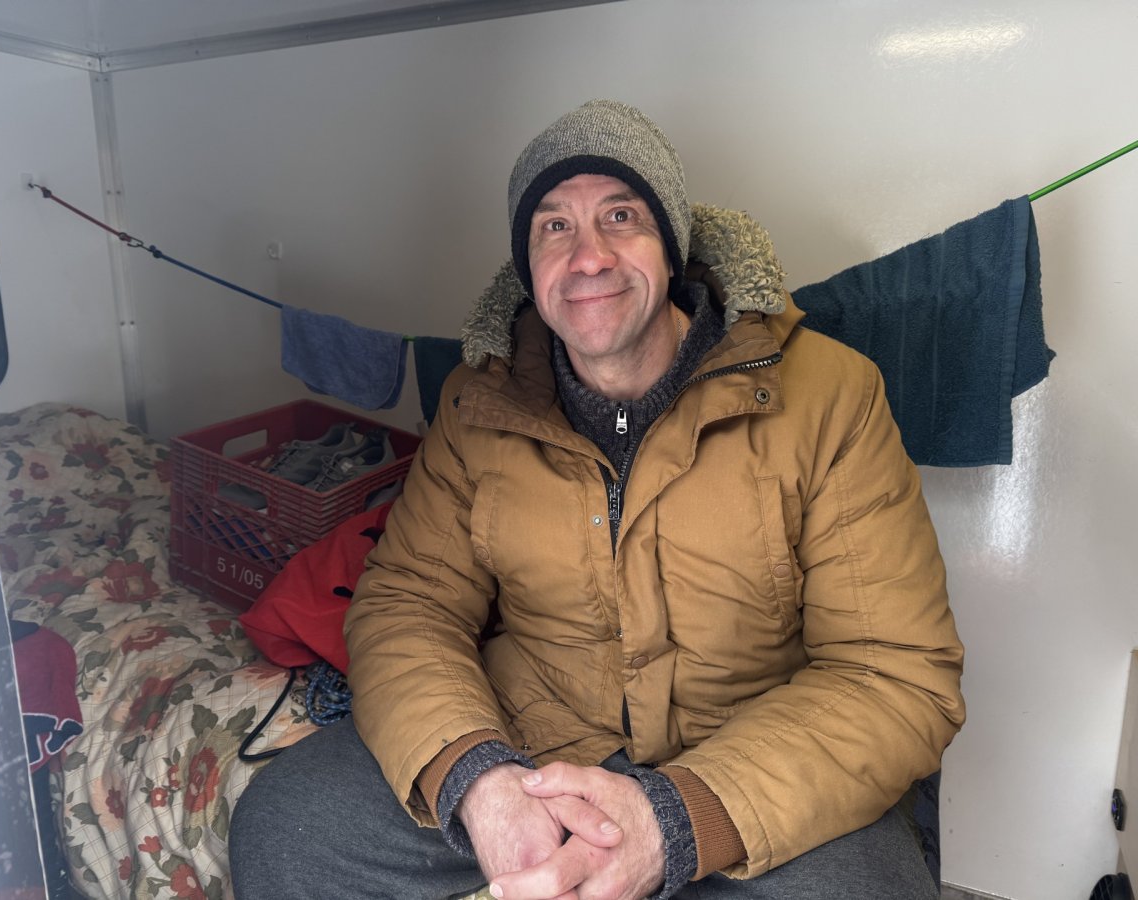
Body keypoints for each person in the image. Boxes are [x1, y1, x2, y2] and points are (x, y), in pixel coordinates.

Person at [230, 99, 965, 900]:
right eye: (554, 227)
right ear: (527, 264)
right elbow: (408, 604)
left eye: (621, 216)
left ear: (672, 244)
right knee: (287, 825)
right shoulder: (479, 404)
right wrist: (478, 779)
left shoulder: (829, 394)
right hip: (533, 738)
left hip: (748, 754)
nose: (588, 258)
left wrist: (677, 821)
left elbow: (893, 673)